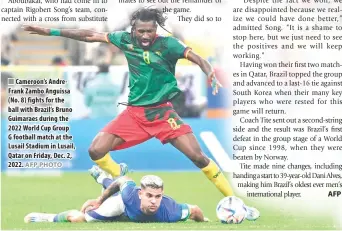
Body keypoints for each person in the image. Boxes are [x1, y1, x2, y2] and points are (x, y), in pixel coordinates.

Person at [22, 7, 245, 208]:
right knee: (95, 150)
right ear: (134, 29)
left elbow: (196, 57)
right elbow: (90, 35)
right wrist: (51, 31)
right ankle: (121, 175)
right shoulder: (125, 39)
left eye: (149, 31)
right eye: (141, 31)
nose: (145, 36)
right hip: (134, 114)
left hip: (162, 113)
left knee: (198, 158)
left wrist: (209, 72)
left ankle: (234, 201)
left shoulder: (169, 44)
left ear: (155, 28)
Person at [24, 167, 208, 223]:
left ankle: (103, 176)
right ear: (140, 193)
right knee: (80, 219)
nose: (154, 201)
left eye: (158, 196)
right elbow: (123, 182)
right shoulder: (129, 194)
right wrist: (99, 200)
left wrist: (205, 221)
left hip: (130, 216)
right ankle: (47, 217)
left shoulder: (170, 210)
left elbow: (195, 210)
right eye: (149, 195)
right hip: (120, 206)